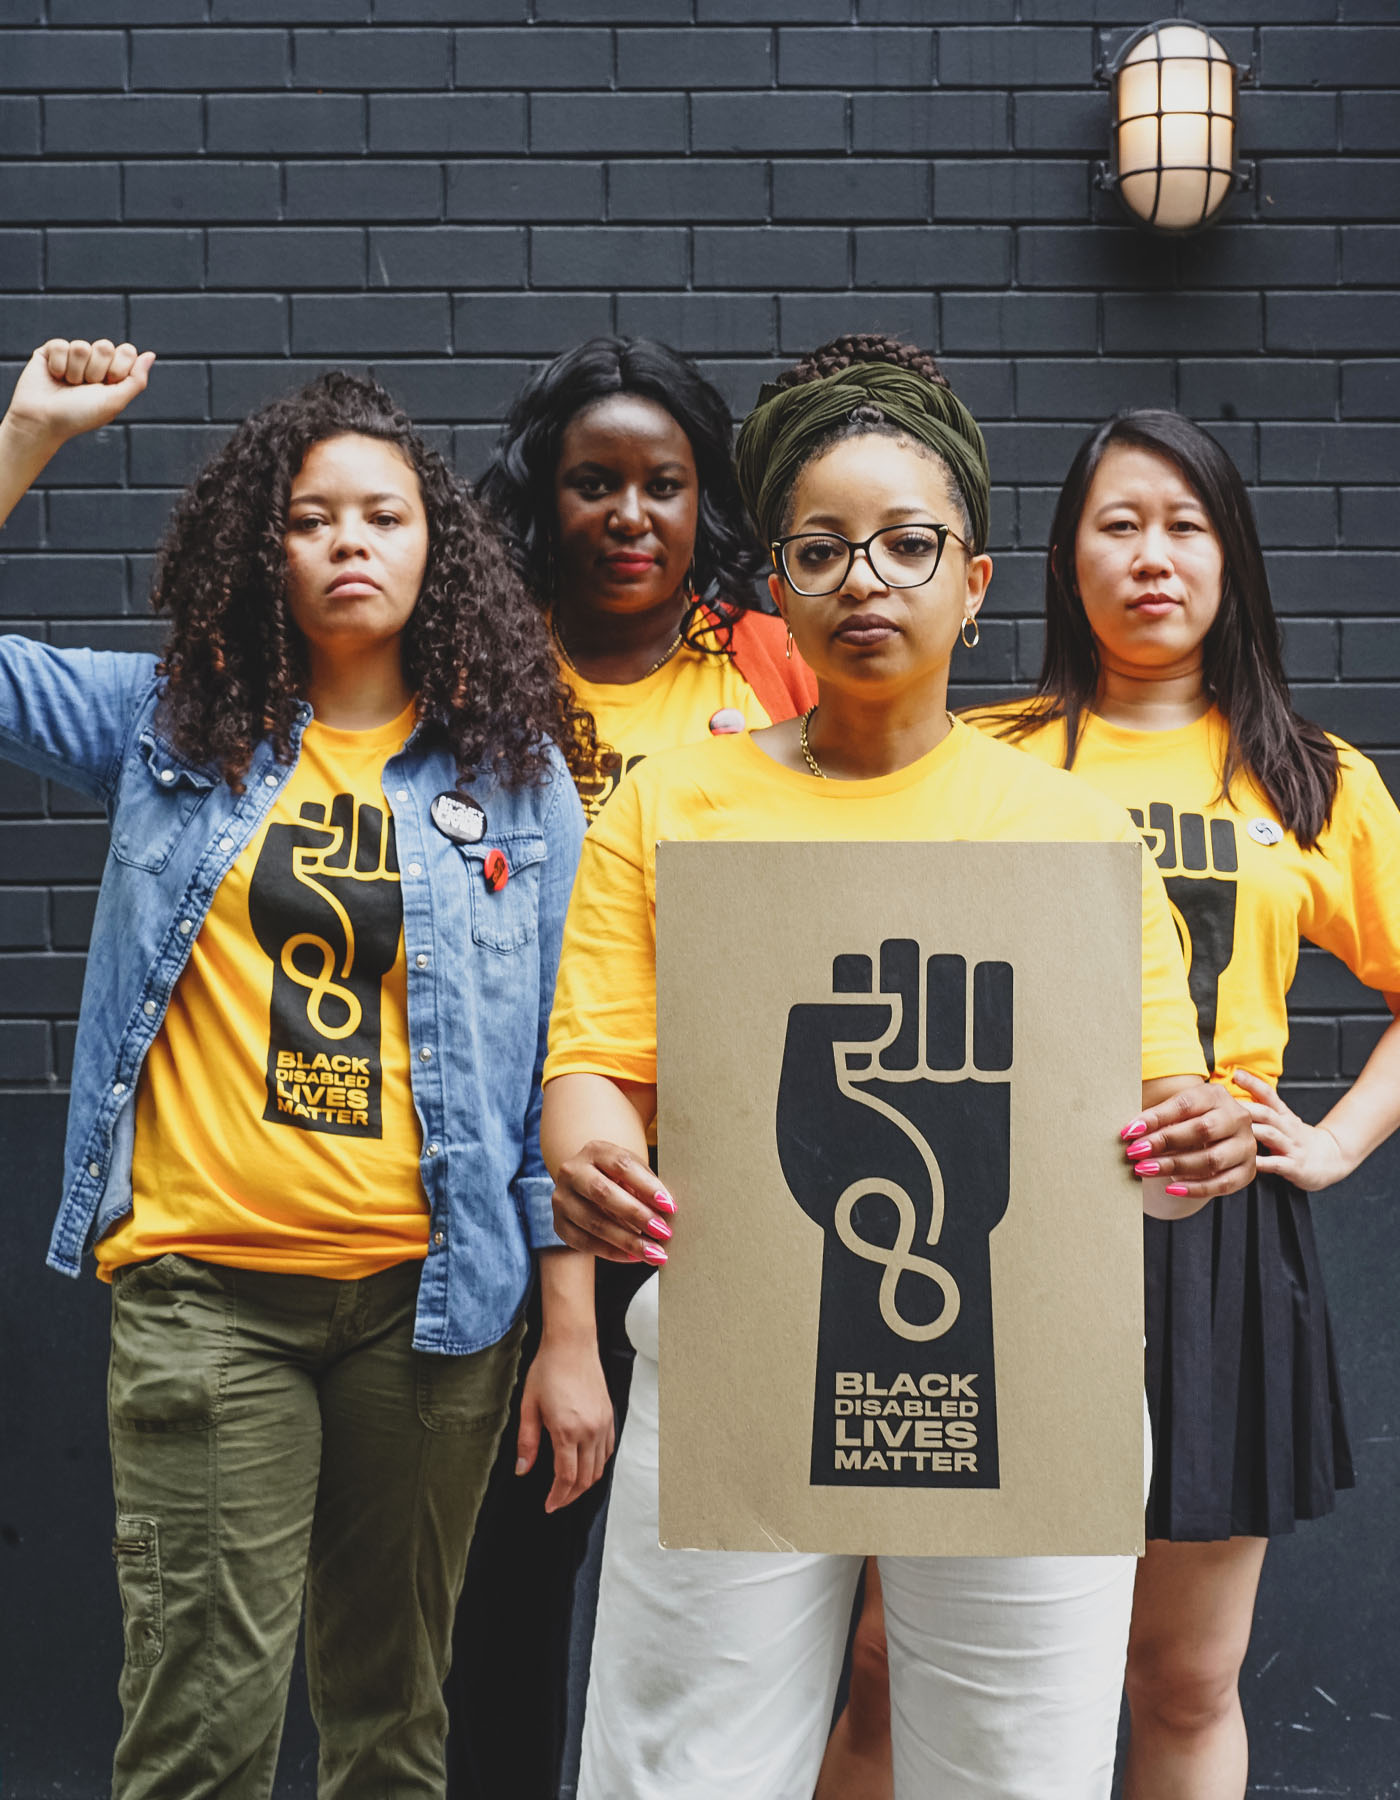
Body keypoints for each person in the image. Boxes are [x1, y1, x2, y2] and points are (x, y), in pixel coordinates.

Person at [540, 335, 1256, 1800]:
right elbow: (596, 1066)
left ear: (977, 582)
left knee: (1013, 1772)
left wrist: (1196, 1142)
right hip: (741, 1351)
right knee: (681, 1769)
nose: (866, 576)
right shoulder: (675, 808)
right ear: (780, 588)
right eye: (822, 548)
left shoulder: (1073, 838)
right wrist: (589, 1142)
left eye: (909, 544)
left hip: (1026, 1367)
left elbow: (1158, 1127)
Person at [0, 338, 611, 1799]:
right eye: (312, 515)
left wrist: (573, 1336)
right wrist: (23, 432)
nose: (349, 540)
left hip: (436, 1312)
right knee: (201, 1731)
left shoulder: (512, 777)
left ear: (435, 546)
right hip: (210, 1300)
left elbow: (562, 1066)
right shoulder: (167, 732)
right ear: (258, 547)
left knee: (393, 1723)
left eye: (384, 515)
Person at [972, 409, 1400, 1800]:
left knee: (1183, 1677)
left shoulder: (1314, 780)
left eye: (1186, 523)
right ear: (1062, 557)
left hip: (1217, 1243)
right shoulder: (987, 756)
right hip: (1004, 1235)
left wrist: (1331, 1141)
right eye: (1118, 523)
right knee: (928, 1659)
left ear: (1232, 556)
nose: (1153, 555)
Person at [448, 335, 816, 1800]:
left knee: (718, 1599)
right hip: (502, 1183)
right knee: (510, 1597)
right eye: (593, 483)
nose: (628, 514)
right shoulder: (475, 662)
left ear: (701, 500)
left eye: (663, 485)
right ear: (545, 497)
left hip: (727, 1188)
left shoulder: (765, 659)